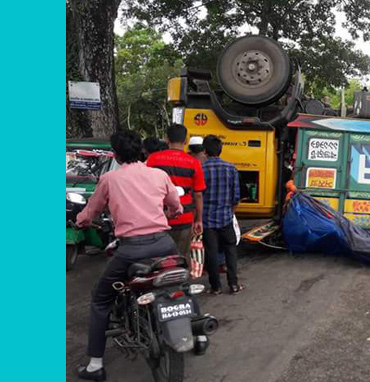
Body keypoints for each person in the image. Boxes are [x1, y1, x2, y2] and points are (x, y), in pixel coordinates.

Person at [75, 130, 182, 381]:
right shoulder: (159, 174)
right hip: (165, 244)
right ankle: (197, 332)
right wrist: (172, 213)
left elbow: (90, 211)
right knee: (180, 281)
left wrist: (81, 221)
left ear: (115, 154)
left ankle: (95, 365)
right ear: (142, 152)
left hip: (131, 249)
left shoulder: (110, 179)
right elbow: (175, 205)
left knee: (101, 299)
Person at [147, 124, 206, 262]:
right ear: (185, 141)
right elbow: (198, 194)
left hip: (158, 216)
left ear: (167, 139)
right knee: (181, 257)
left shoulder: (153, 159)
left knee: (158, 259)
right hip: (184, 217)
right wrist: (198, 220)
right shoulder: (193, 163)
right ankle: (182, 283)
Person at [202, 135, 244, 295]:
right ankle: (233, 284)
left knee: (211, 253)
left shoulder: (201, 169)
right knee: (230, 251)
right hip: (226, 218)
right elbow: (236, 197)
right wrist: (230, 213)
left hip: (207, 221)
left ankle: (215, 287)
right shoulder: (231, 168)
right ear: (221, 150)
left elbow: (197, 195)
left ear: (205, 151)